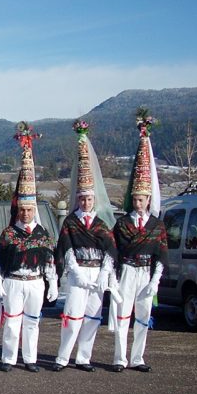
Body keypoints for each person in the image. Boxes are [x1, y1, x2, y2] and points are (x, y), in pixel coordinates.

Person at [0, 122, 58, 373]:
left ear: (35, 210)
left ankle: (30, 358)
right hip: (14, 281)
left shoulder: (42, 233)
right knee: (12, 322)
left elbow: (49, 262)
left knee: (32, 322)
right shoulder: (8, 233)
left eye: (30, 210)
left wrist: (53, 283)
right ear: (18, 209)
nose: (27, 213)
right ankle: (8, 358)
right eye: (24, 209)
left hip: (35, 281)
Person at [52, 120, 118, 373]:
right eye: (82, 198)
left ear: (95, 199)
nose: (86, 201)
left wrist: (104, 273)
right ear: (77, 199)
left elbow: (110, 250)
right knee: (72, 314)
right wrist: (75, 270)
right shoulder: (70, 221)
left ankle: (83, 357)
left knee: (92, 316)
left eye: (90, 198)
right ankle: (62, 356)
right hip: (78, 271)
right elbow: (66, 247)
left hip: (96, 271)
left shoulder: (101, 224)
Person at [111, 109, 168, 373]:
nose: (139, 202)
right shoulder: (122, 223)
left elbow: (161, 255)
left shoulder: (157, 226)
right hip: (128, 271)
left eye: (143, 199)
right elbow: (114, 251)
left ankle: (138, 358)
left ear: (149, 200)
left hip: (146, 271)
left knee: (143, 316)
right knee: (123, 315)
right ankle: (120, 358)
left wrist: (155, 279)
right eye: (135, 198)